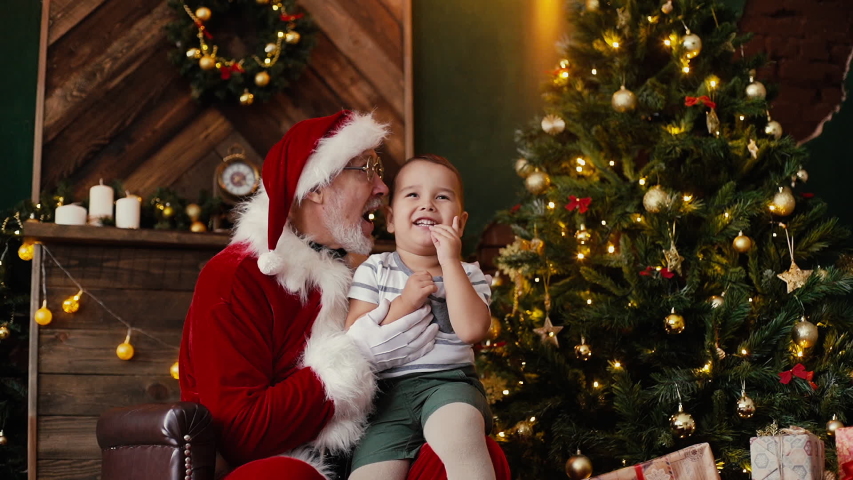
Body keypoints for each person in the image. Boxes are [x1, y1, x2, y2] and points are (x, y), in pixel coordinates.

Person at [178, 111, 510, 480]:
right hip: (282, 465)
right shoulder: (236, 277)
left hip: (370, 451)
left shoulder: (368, 270)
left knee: (467, 457)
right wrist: (358, 357)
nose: (383, 188)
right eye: (367, 168)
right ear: (318, 187)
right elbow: (240, 431)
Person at [345, 154, 498, 480]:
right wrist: (403, 302)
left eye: (442, 196)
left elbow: (472, 330)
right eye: (413, 194)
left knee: (460, 433)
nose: (427, 204)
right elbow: (354, 334)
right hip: (384, 398)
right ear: (390, 218)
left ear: (461, 221)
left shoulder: (469, 273)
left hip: (450, 384)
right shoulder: (374, 269)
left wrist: (450, 262)